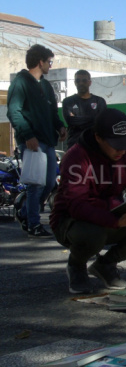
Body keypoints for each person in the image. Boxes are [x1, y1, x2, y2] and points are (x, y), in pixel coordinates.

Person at [49, 108, 126, 294]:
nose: (122, 150)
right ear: (98, 137)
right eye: (116, 145)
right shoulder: (76, 158)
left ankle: (105, 264)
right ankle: (76, 265)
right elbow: (77, 206)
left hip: (112, 214)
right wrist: (116, 221)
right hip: (71, 222)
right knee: (93, 235)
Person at [7, 44, 67, 238]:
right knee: (36, 184)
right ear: (40, 61)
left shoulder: (46, 85)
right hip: (32, 142)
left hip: (48, 141)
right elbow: (14, 112)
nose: (51, 65)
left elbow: (51, 112)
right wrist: (27, 136)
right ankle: (34, 224)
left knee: (50, 183)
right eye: (49, 62)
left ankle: (24, 213)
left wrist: (60, 126)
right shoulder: (20, 82)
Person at [62, 69, 107, 149]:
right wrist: (93, 119)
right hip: (75, 145)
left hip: (95, 145)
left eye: (84, 80)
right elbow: (71, 121)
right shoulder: (68, 101)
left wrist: (78, 119)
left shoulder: (99, 101)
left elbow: (101, 122)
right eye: (78, 80)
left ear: (90, 82)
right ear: (75, 83)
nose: (81, 83)